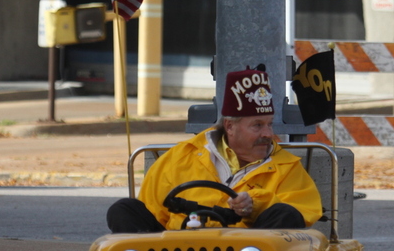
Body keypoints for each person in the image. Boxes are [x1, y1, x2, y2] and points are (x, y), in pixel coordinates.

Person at [107, 67, 323, 233]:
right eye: (257, 125)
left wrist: (255, 204)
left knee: (285, 213)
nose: (268, 133)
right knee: (123, 210)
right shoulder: (180, 157)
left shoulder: (286, 167)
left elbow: (303, 212)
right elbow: (152, 211)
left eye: (269, 124)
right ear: (230, 126)